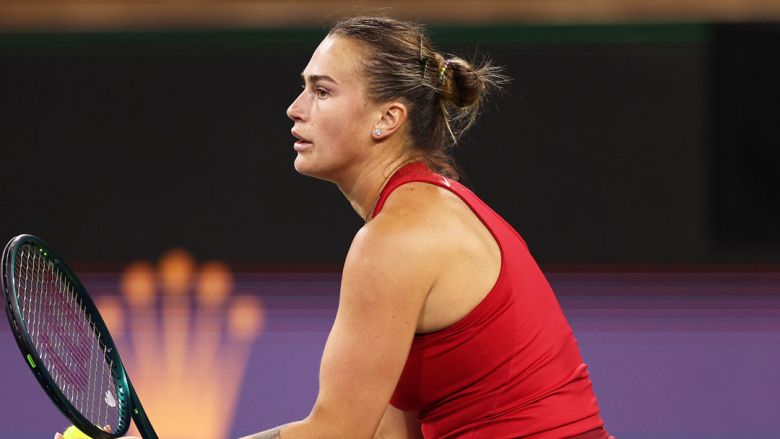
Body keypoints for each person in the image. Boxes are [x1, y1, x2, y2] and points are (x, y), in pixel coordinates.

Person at [57, 15, 612, 439]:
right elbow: (383, 434)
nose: (295, 108)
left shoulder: (396, 239)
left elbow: (337, 435)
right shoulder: (430, 209)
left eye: (322, 92)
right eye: (304, 88)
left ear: (386, 119)